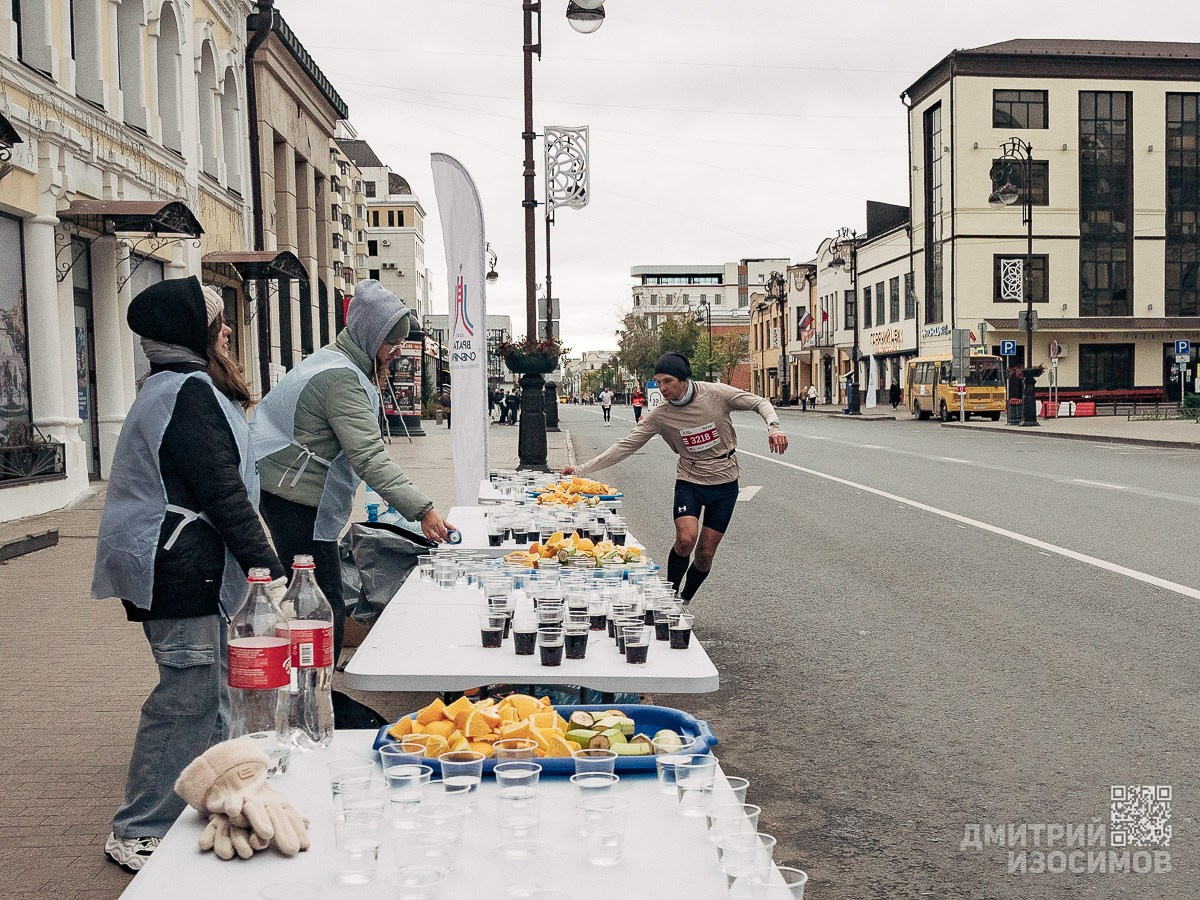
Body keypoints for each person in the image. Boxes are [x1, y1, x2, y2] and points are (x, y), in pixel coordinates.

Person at [92, 277, 286, 873]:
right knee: (187, 696)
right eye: (217, 321)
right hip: (180, 569)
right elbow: (223, 492)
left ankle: (216, 798)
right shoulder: (186, 393)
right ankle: (137, 828)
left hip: (181, 566)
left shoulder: (174, 386)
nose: (226, 330)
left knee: (217, 693)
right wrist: (270, 568)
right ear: (191, 333)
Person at [251, 279, 453, 662]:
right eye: (390, 342)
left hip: (288, 490)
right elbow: (369, 458)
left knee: (314, 594)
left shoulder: (338, 359)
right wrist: (423, 510)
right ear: (369, 334)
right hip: (296, 498)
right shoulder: (342, 379)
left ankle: (314, 673)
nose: (395, 351)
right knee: (319, 598)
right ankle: (314, 685)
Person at [561, 352, 788, 603]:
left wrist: (774, 427)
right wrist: (581, 469)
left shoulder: (715, 394)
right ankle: (669, 596)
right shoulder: (661, 415)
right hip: (689, 481)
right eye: (658, 382)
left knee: (704, 553)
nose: (662, 388)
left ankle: (685, 600)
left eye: (667, 381)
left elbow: (760, 402)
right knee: (685, 539)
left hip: (725, 483)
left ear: (683, 379)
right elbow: (625, 446)